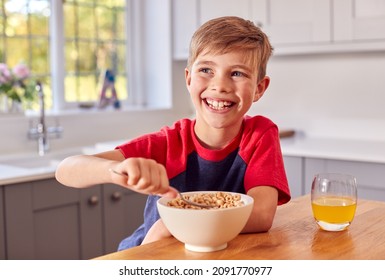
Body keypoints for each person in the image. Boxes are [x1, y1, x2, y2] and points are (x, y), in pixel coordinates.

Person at [55, 16, 291, 251]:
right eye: (207, 69)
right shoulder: (170, 142)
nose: (220, 86)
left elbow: (261, 215)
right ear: (188, 79)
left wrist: (174, 225)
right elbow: (66, 169)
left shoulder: (260, 135)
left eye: (237, 73)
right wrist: (115, 171)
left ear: (259, 88)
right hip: (149, 251)